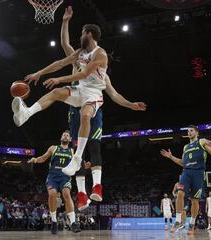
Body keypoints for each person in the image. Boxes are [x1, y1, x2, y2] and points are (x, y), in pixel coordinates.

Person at [13, 21, 146, 178]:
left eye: (82, 33)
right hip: (79, 90)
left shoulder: (100, 53)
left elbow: (106, 89)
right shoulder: (80, 53)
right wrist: (39, 73)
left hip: (93, 93)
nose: (80, 36)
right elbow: (61, 62)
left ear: (89, 34)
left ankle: (77, 158)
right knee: (55, 92)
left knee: (85, 115)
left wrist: (130, 105)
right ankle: (26, 114)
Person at [60, 6, 147, 210]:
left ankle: (97, 187)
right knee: (76, 153)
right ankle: (81, 194)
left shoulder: (103, 77)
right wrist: (65, 22)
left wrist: (131, 105)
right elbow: (65, 43)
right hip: (75, 108)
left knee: (94, 147)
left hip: (93, 109)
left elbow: (115, 95)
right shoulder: (78, 61)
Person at [160, 125, 211, 234]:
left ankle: (191, 223)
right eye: (187, 131)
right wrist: (171, 157)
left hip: (198, 173)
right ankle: (178, 220)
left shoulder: (202, 141)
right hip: (186, 172)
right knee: (180, 193)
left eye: (191, 130)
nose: (189, 132)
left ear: (197, 133)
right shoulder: (185, 147)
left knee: (194, 201)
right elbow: (183, 163)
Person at [27, 130, 80, 234]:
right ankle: (54, 220)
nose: (65, 136)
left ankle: (73, 223)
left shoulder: (72, 151)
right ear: (61, 138)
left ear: (69, 139)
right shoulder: (53, 148)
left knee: (66, 194)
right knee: (52, 194)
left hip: (65, 176)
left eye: (67, 136)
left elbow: (78, 163)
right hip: (53, 176)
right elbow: (43, 158)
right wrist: (35, 160)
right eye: (64, 135)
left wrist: (84, 164)